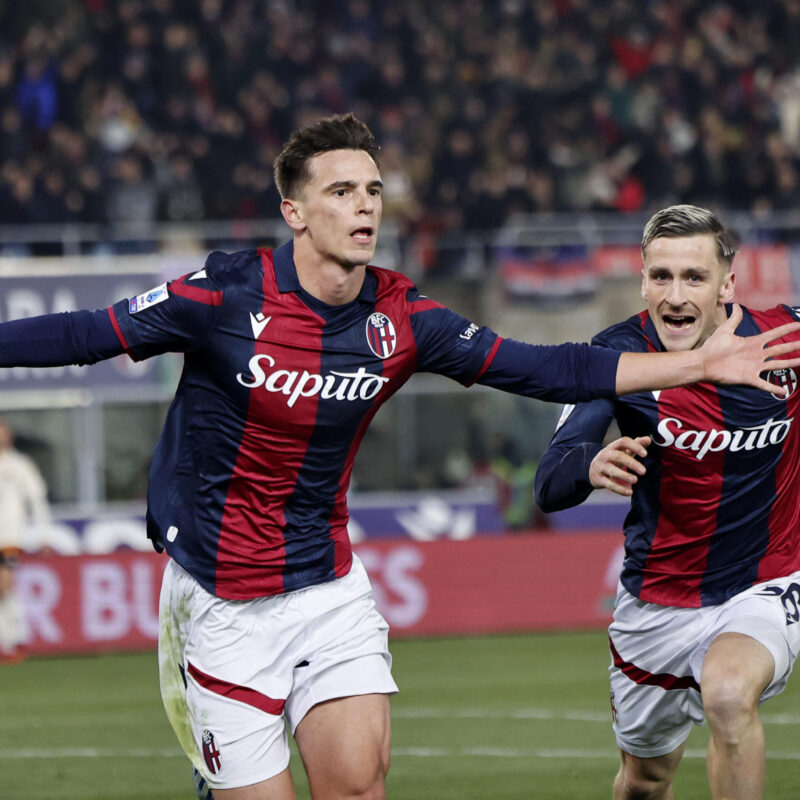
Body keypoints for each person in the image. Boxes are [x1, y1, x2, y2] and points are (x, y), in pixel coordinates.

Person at [0, 121, 797, 800]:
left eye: (374, 190)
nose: (365, 206)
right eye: (342, 191)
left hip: (326, 589)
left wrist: (694, 366)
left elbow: (547, 366)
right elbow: (82, 334)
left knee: (357, 785)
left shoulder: (402, 316)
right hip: (220, 594)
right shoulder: (225, 296)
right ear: (294, 211)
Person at [535, 204, 800, 800]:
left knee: (730, 694)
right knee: (644, 782)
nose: (675, 295)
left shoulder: (787, 340)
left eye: (694, 277)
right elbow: (550, 482)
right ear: (643, 280)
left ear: (727, 284)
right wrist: (588, 464)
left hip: (765, 581)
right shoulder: (618, 355)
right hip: (657, 603)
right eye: (661, 276)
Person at [0, 418, 50, 661]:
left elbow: (37, 499)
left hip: (8, 535)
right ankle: (11, 641)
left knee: (4, 584)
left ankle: (15, 641)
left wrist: (43, 534)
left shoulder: (20, 465)